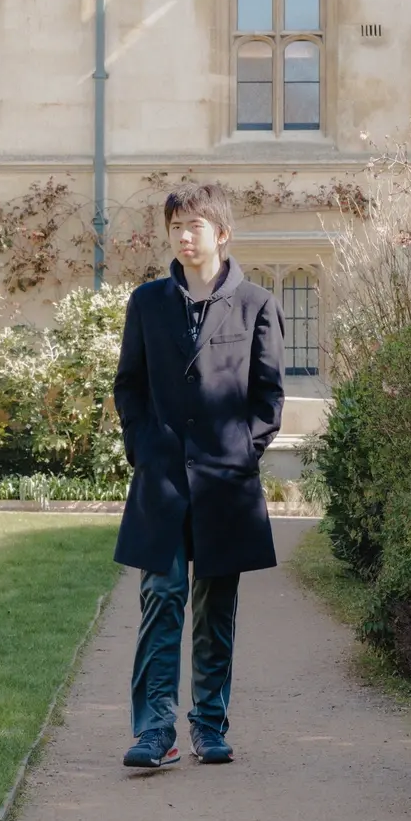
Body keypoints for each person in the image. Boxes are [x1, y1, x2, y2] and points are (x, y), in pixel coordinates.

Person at [113, 182, 286, 768]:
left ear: (222, 233)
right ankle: (154, 730)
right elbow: (129, 386)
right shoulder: (147, 303)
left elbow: (269, 398)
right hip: (162, 479)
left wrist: (242, 454)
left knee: (216, 607)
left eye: (196, 226)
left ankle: (209, 725)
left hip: (224, 484)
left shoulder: (257, 304)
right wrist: (142, 445)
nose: (185, 237)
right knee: (160, 599)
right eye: (176, 228)